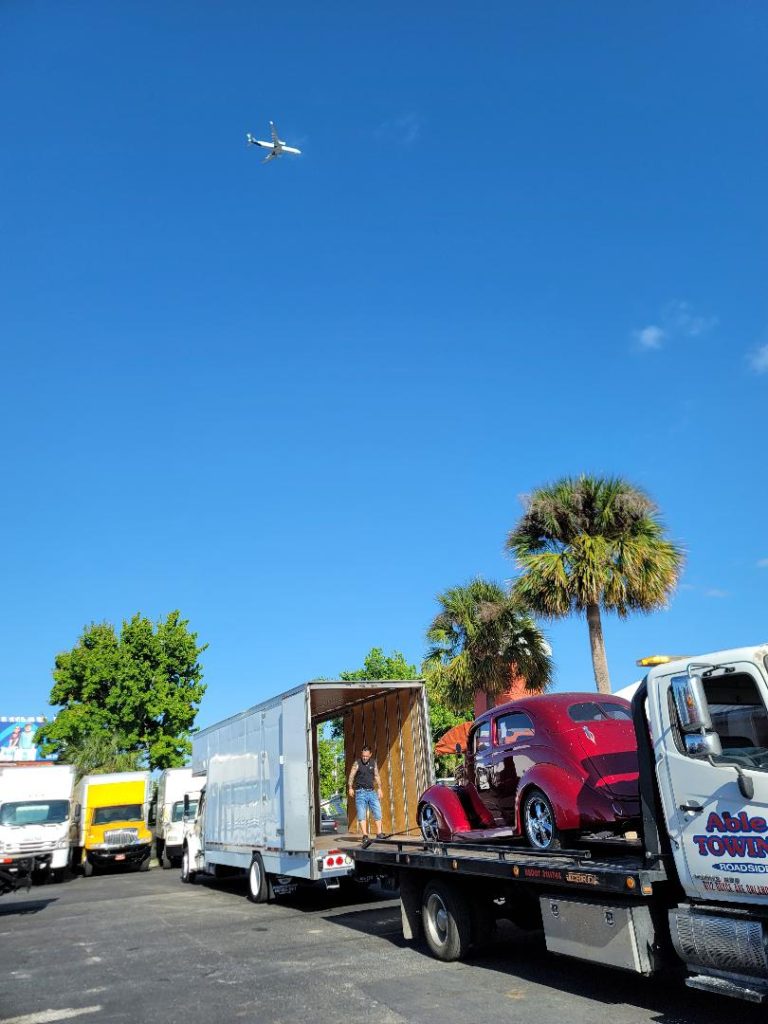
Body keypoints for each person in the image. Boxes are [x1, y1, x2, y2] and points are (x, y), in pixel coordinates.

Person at [348, 745, 384, 840]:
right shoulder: (357, 763)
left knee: (377, 811)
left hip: (372, 792)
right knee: (361, 813)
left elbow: (376, 776)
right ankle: (365, 835)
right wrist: (350, 787)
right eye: (363, 755)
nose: (364, 757)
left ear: (370, 755)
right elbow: (351, 775)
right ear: (361, 754)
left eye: (367, 756)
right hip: (360, 792)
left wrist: (380, 788)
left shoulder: (373, 763)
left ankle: (379, 833)